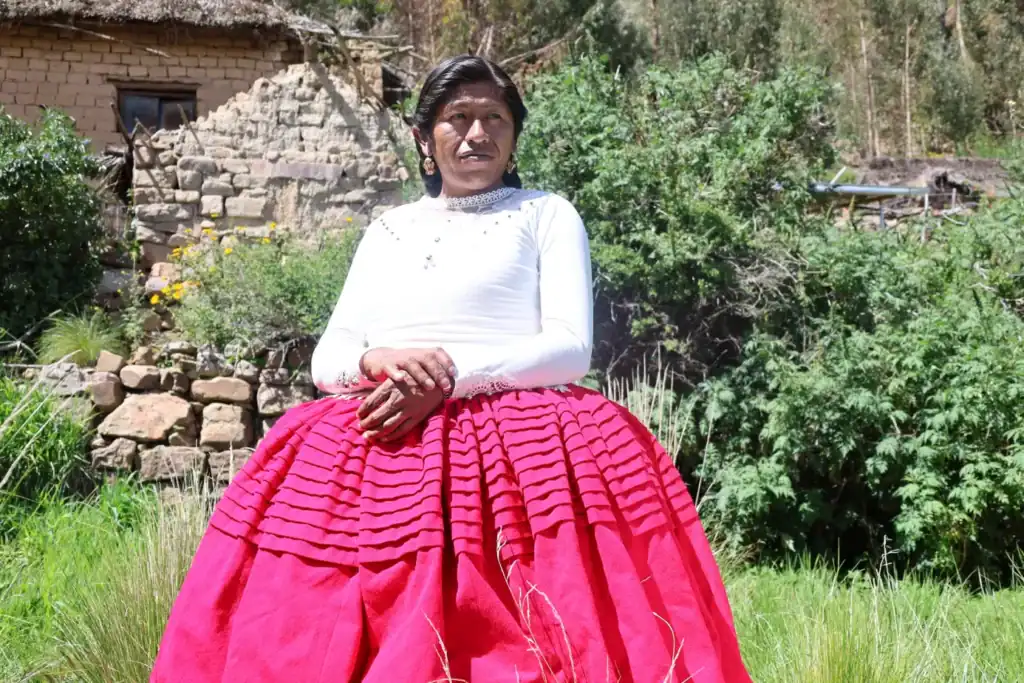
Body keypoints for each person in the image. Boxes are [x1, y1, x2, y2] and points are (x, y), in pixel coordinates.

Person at [151, 54, 753, 683]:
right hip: (379, 439)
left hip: (520, 456)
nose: (477, 133)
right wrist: (376, 360)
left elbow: (571, 347)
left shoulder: (545, 214)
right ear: (424, 137)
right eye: (457, 118)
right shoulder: (388, 230)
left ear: (514, 135)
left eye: (494, 118)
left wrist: (446, 379)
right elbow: (330, 357)